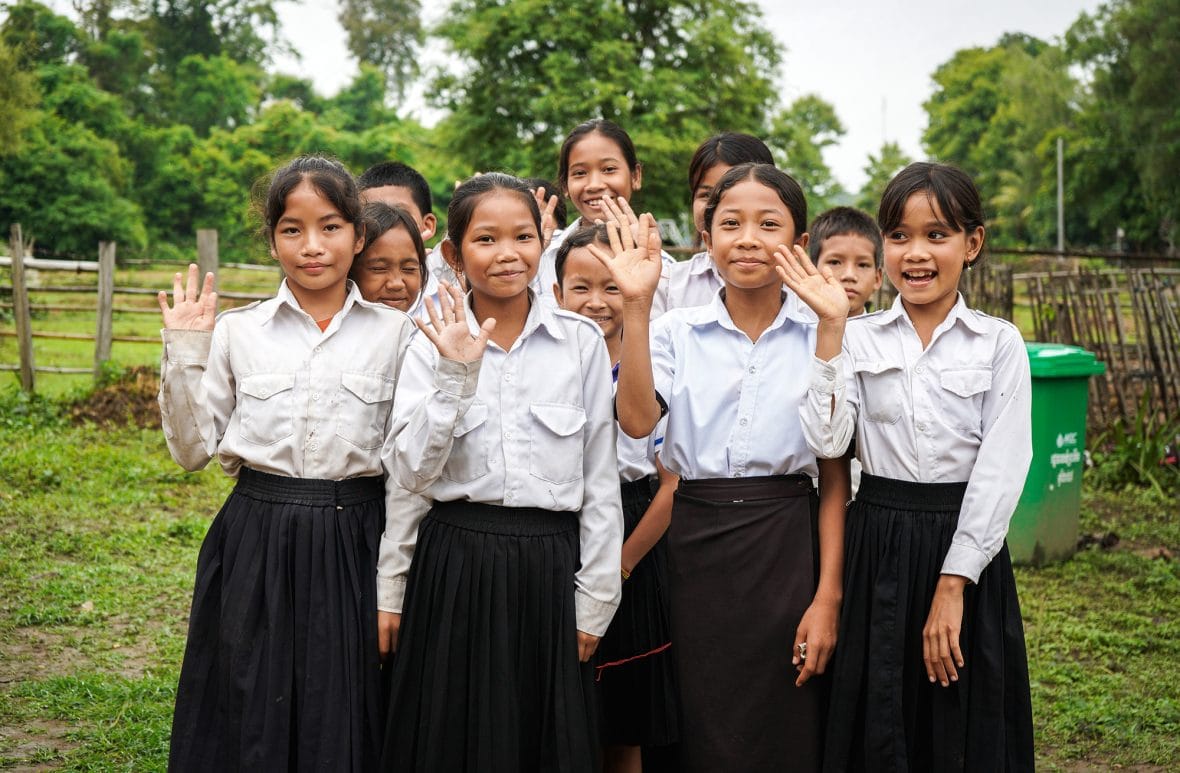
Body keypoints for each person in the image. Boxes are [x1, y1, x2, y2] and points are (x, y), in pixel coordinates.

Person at [158, 155, 417, 771]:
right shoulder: (237, 331)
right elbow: (194, 450)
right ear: (272, 239)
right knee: (248, 696)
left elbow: (411, 474)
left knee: (345, 705)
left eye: (330, 227)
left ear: (358, 235)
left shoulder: (398, 334)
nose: (312, 247)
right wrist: (186, 352)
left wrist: (392, 586)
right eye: (292, 229)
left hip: (357, 535)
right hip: (255, 535)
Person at [777, 161, 1035, 772]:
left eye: (936, 235)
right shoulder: (856, 336)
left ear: (972, 244)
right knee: (880, 714)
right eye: (899, 236)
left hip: (964, 548)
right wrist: (831, 330)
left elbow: (1000, 471)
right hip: (878, 543)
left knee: (961, 710)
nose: (916, 254)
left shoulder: (997, 343)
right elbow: (828, 439)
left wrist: (954, 583)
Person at [592, 163, 850, 772]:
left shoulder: (826, 329)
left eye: (769, 223)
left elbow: (834, 474)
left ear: (800, 243)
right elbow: (634, 422)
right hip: (689, 550)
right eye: (729, 224)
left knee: (785, 723)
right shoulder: (675, 331)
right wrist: (635, 306)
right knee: (694, 724)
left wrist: (828, 597)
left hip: (787, 544)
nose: (748, 239)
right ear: (706, 240)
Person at [377, 173, 624, 772]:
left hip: (548, 567)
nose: (507, 253)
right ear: (455, 255)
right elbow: (409, 475)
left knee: (544, 738)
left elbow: (600, 480)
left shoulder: (580, 343)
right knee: (450, 737)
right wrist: (392, 588)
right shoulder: (426, 341)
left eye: (523, 236)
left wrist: (595, 599)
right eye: (486, 240)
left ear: (543, 243)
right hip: (454, 563)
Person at [553, 224, 680, 771]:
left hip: (633, 537)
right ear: (555, 293)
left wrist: (621, 565)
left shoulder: (649, 364)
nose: (596, 302)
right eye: (580, 287)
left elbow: (672, 484)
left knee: (625, 718)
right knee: (563, 704)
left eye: (611, 287)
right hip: (557, 532)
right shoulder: (547, 363)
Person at [538, 119, 673, 312]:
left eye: (609, 169)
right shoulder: (542, 254)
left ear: (636, 176)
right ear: (565, 184)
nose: (594, 184)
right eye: (579, 173)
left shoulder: (664, 267)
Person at [666, 132, 775, 309]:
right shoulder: (668, 285)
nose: (717, 207)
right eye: (706, 195)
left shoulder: (801, 296)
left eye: (733, 194)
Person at [358, 161, 443, 306]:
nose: (387, 226)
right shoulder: (337, 295)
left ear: (427, 225)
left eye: (401, 215)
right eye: (372, 216)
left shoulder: (454, 300)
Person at [350, 201, 428, 314]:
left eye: (409, 269)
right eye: (378, 268)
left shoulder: (433, 329)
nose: (396, 284)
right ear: (350, 268)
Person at [808, 206, 884, 318]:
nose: (849, 275)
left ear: (877, 278)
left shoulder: (886, 335)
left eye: (862, 265)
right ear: (810, 270)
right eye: (835, 262)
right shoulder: (792, 330)